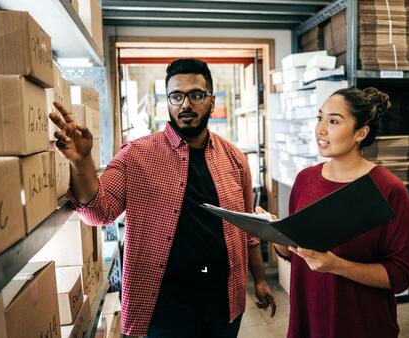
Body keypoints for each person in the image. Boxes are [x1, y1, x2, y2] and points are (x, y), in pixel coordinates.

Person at [49, 58, 276, 338]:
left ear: (211, 101)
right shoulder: (136, 155)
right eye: (176, 96)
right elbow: (98, 212)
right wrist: (81, 162)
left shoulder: (235, 159)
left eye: (196, 95)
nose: (186, 105)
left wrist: (261, 280)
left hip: (223, 300)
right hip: (166, 306)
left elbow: (248, 229)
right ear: (167, 101)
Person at [270, 87, 409, 338]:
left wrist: (337, 265)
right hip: (309, 323)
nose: (321, 129)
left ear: (361, 132)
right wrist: (276, 234)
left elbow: (400, 276)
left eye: (334, 121)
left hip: (362, 326)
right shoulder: (305, 179)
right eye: (320, 118)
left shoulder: (389, 189)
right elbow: (294, 254)